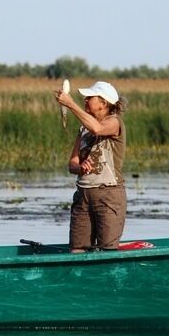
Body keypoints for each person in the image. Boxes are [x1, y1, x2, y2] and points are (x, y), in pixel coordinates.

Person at [54, 81, 127, 252]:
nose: (85, 100)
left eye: (90, 98)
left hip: (108, 194)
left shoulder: (114, 123)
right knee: (77, 250)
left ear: (104, 103)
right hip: (83, 196)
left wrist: (70, 104)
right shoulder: (83, 129)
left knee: (107, 250)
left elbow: (98, 129)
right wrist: (79, 168)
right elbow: (72, 164)